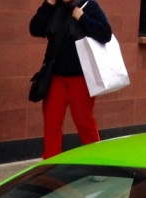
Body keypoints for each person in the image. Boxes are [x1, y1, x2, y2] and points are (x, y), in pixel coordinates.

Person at [30, 0, 114, 160]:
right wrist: (48, 5)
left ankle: (97, 162)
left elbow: (106, 34)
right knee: (51, 122)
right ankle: (51, 162)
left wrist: (83, 18)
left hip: (81, 77)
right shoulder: (54, 7)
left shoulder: (89, 6)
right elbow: (35, 29)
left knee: (84, 122)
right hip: (56, 76)